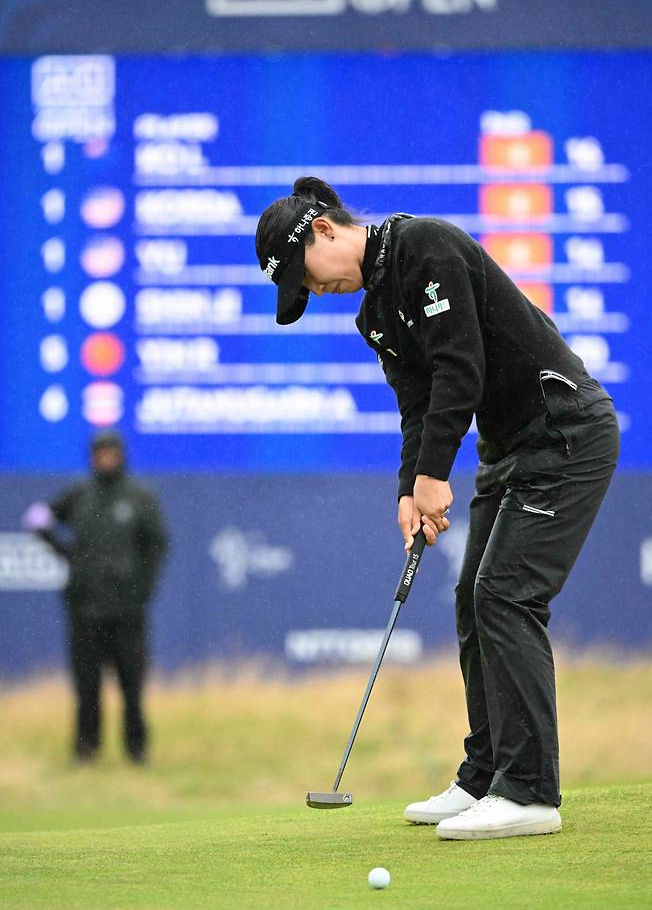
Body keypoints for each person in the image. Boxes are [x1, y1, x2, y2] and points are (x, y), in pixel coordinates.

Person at [255, 177, 619, 841]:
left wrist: (432, 477)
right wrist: (408, 490)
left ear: (326, 231)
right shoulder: (375, 316)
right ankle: (485, 774)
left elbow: (461, 368)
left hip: (566, 431)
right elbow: (419, 407)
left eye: (305, 278)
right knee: (470, 597)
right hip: (509, 449)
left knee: (506, 597)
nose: (314, 293)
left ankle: (530, 790)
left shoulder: (427, 247)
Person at [23, 429, 168, 764]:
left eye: (111, 453)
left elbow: (157, 544)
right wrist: (66, 554)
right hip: (85, 609)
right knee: (87, 686)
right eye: (99, 453)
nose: (105, 459)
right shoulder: (79, 495)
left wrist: (142, 589)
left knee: (132, 685)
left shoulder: (138, 497)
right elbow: (38, 518)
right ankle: (86, 751)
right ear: (92, 457)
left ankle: (137, 750)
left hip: (127, 612)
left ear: (121, 455)